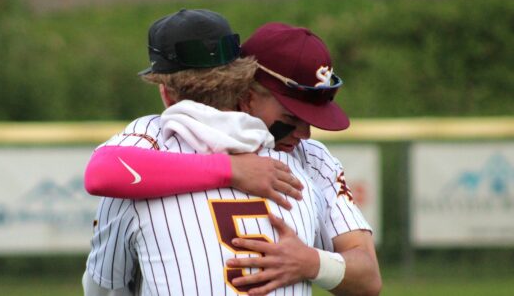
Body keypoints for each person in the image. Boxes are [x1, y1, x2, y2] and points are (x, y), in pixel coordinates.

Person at [84, 17, 382, 296]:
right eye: (291, 117)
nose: (305, 133)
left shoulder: (145, 155)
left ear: (166, 93)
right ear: (245, 92)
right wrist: (230, 169)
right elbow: (103, 174)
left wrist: (313, 263)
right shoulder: (145, 155)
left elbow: (369, 278)